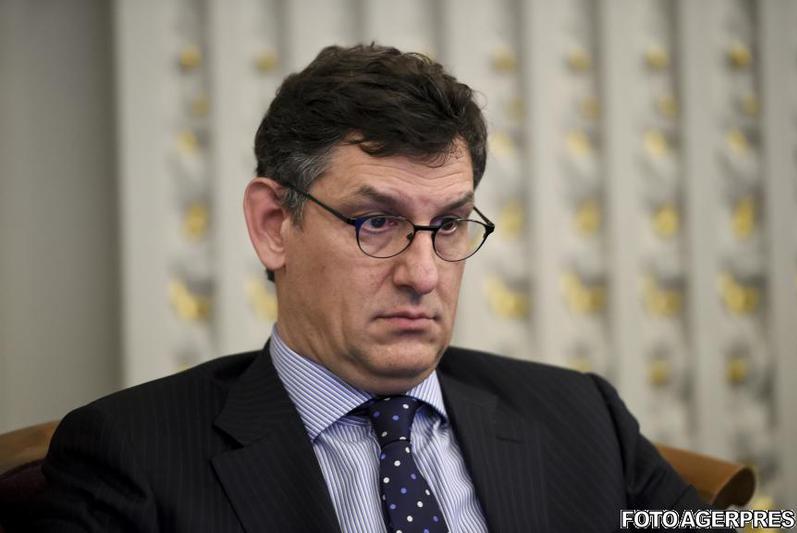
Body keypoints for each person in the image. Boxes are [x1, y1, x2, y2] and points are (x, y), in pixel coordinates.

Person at [20, 44, 719, 533]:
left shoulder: (580, 415)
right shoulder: (132, 455)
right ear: (273, 225)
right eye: (376, 222)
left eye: (449, 224)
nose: (423, 274)